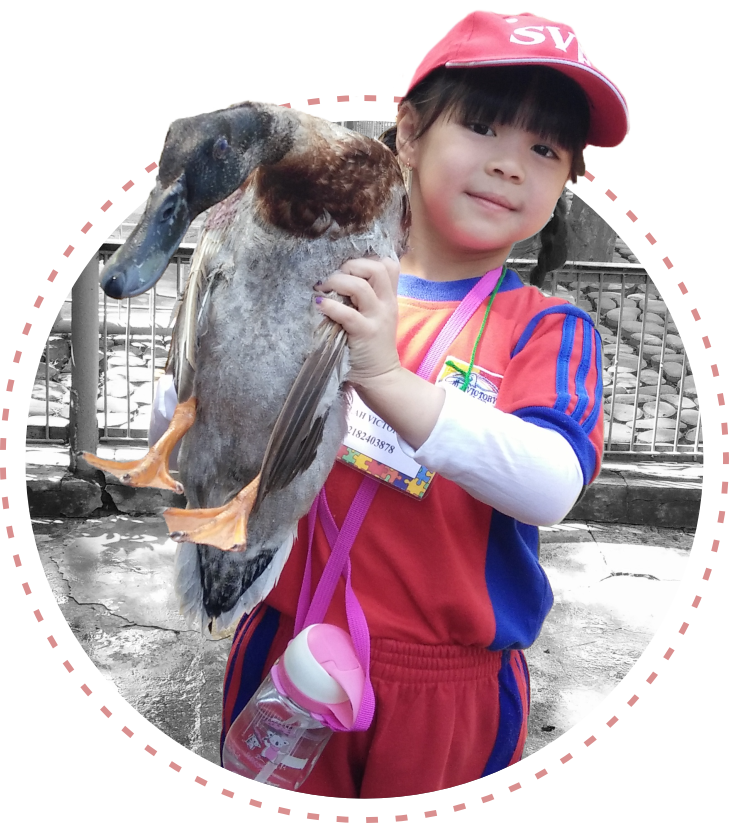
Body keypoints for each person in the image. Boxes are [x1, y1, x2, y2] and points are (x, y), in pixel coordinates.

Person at [220, 8, 629, 799]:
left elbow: (549, 485)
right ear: (407, 132)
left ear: (566, 179)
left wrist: (385, 374)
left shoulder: (545, 327)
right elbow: (205, 427)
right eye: (479, 126)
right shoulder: (314, 285)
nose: (511, 164)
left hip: (449, 684)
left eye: (544, 148)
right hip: (283, 644)